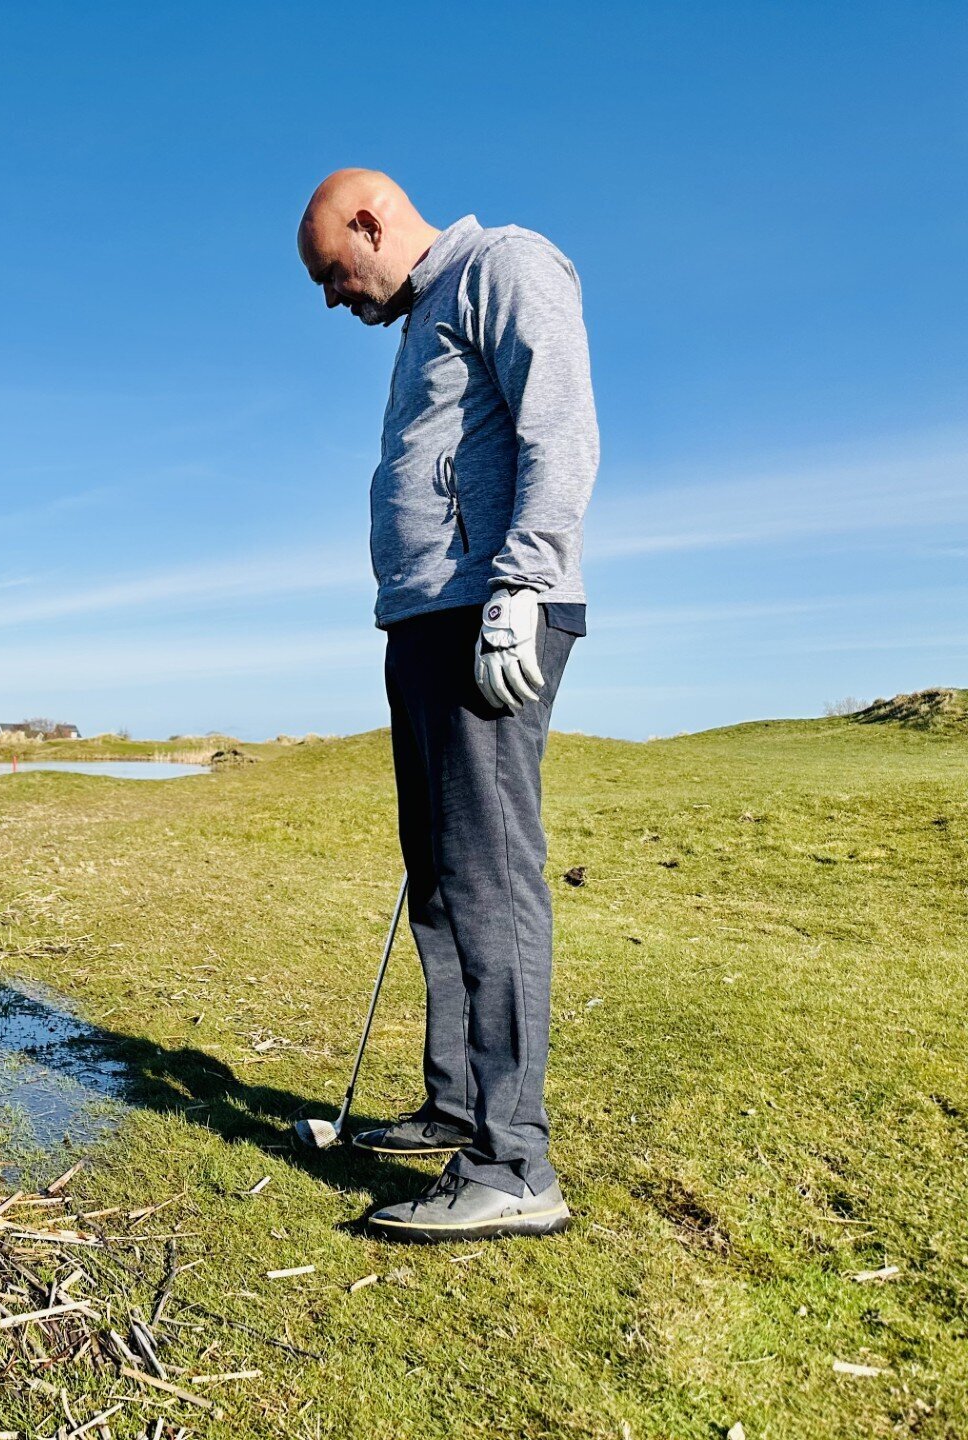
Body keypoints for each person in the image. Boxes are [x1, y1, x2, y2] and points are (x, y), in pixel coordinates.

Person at [294, 169, 597, 1242]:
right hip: (425, 618)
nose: (334, 297)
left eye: (333, 272)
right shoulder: (424, 315)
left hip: (489, 611)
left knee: (488, 872)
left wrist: (523, 583)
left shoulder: (503, 265)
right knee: (435, 873)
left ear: (368, 223)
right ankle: (459, 1104)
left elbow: (559, 424)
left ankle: (514, 1164)